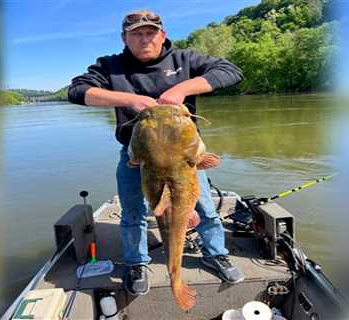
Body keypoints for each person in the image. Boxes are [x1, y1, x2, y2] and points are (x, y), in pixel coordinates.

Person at [68, 9, 245, 296]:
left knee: (205, 210)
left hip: (184, 160)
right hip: (136, 157)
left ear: (162, 35)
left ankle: (216, 253)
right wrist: (130, 99)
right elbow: (76, 91)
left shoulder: (185, 59)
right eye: (136, 33)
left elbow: (231, 71)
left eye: (150, 32)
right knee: (132, 212)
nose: (144, 38)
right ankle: (137, 262)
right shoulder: (110, 66)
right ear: (124, 38)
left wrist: (182, 89)